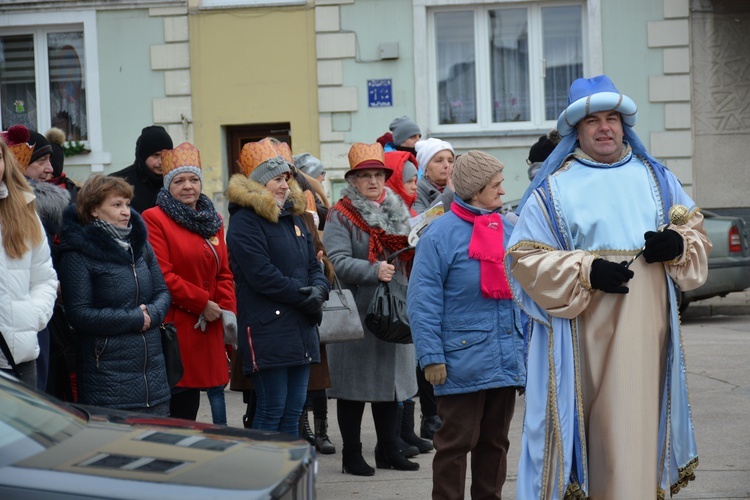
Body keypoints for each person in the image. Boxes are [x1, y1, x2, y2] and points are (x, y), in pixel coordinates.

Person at [507, 75, 712, 498]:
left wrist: (678, 243)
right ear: (577, 131)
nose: (605, 128)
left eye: (612, 118)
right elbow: (523, 258)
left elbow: (694, 235)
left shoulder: (659, 180)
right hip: (584, 340)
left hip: (647, 339)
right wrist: (585, 269)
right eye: (593, 121)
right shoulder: (554, 190)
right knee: (597, 435)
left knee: (637, 431)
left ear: (624, 125)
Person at [407, 150, 525, 499]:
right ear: (475, 190)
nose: (503, 191)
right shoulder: (439, 235)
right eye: (496, 185)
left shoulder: (509, 228)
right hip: (458, 362)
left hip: (504, 358)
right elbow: (422, 301)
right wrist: (431, 356)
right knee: (456, 445)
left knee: (495, 444)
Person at [322, 142, 419, 476]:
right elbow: (337, 261)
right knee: (354, 389)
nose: (374, 181)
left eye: (378, 174)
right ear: (353, 180)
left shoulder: (397, 210)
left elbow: (405, 254)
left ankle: (389, 449)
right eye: (366, 176)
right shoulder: (341, 213)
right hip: (360, 313)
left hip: (395, 309)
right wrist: (372, 270)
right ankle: (352, 455)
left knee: (391, 387)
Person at [226, 138, 329, 436]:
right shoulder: (245, 221)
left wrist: (319, 290)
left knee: (294, 410)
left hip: (299, 326)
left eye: (286, 178)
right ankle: (265, 477)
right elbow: (261, 275)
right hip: (267, 327)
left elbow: (313, 264)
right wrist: (304, 296)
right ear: (259, 184)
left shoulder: (293, 219)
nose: (284, 185)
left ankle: (290, 477)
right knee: (272, 409)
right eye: (276, 179)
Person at [58, 174, 172, 414]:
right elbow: (78, 314)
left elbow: (162, 291)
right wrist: (135, 318)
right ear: (94, 210)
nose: (126, 212)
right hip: (108, 380)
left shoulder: (140, 244)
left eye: (127, 204)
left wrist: (152, 313)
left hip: (154, 378)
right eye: (116, 205)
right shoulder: (77, 253)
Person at [142, 142, 237, 423]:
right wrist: (201, 303)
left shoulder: (214, 220)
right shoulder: (154, 218)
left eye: (194, 179)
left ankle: (219, 454)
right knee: (181, 402)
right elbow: (163, 274)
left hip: (212, 322)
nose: (188, 186)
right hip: (179, 324)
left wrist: (224, 310)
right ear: (168, 185)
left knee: (211, 395)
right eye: (179, 180)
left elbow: (224, 272)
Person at [2, 125, 70, 392]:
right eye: (41, 161)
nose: (50, 168)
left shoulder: (25, 211)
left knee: (26, 426)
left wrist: (32, 317)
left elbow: (44, 277)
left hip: (24, 344)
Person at [110, 125, 174, 214]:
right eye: (156, 155)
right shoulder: (117, 182)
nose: (161, 162)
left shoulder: (176, 181)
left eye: (166, 155)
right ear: (143, 157)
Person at [413, 138, 456, 214]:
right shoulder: (415, 192)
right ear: (426, 169)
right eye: (439, 161)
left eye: (450, 161)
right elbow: (422, 223)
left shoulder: (462, 188)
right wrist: (449, 193)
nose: (447, 165)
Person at [385, 150, 419, 216]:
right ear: (394, 182)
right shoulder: (383, 216)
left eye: (414, 181)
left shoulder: (412, 213)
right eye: (409, 181)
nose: (415, 187)